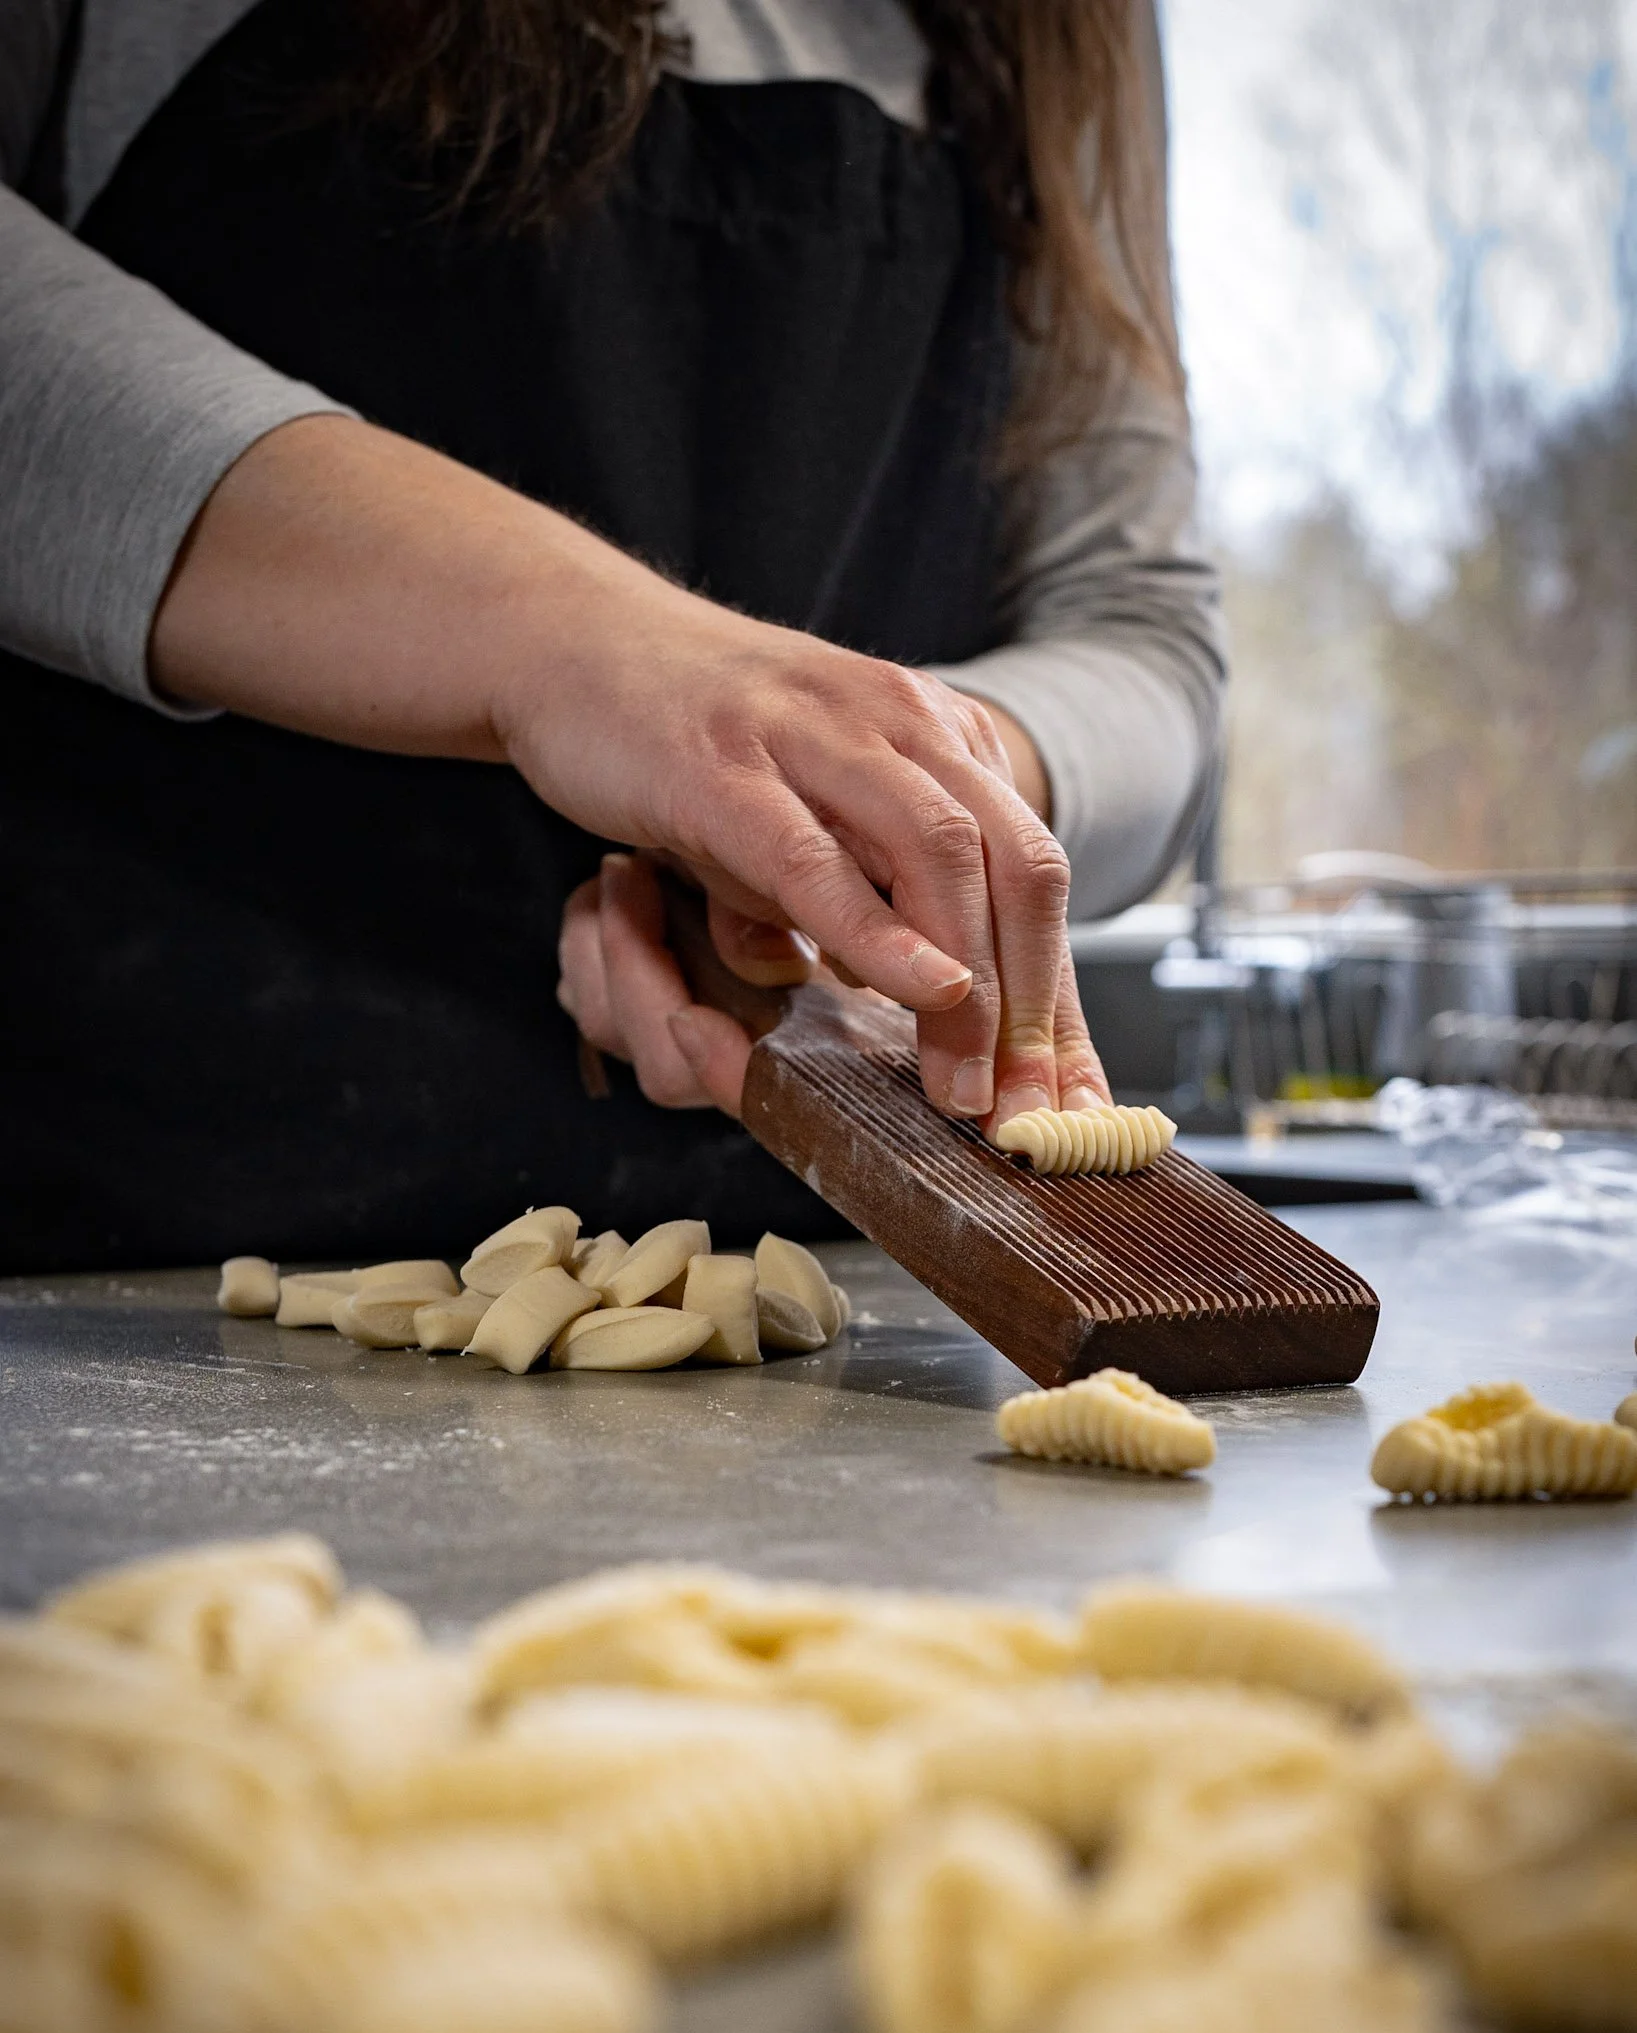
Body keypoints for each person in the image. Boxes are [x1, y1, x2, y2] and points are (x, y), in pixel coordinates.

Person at [0, 0, 1223, 1273]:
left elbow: (1141, 632)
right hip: (147, 1242)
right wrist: (583, 651)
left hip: (827, 1291)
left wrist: (863, 800)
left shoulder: (1060, 30)